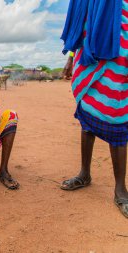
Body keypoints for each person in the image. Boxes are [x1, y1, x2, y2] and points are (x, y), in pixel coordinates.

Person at [60, 0, 128, 218]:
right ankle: (84, 174)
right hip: (88, 56)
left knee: (118, 123)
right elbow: (81, 20)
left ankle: (120, 189)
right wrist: (70, 57)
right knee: (87, 119)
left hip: (119, 59)